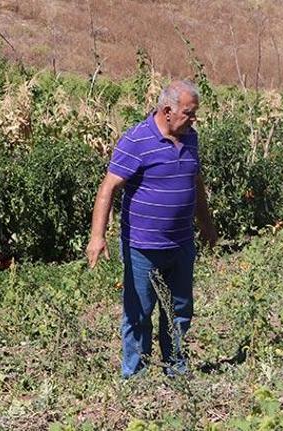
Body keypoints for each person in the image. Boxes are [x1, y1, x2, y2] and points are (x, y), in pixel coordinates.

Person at [86, 80, 218, 377]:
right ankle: (135, 376)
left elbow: (195, 183)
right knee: (139, 313)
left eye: (195, 113)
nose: (193, 119)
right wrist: (97, 237)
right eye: (189, 113)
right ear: (168, 110)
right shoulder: (136, 140)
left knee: (179, 311)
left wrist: (206, 225)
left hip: (181, 244)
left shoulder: (191, 138)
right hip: (142, 247)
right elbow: (108, 187)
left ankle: (176, 369)